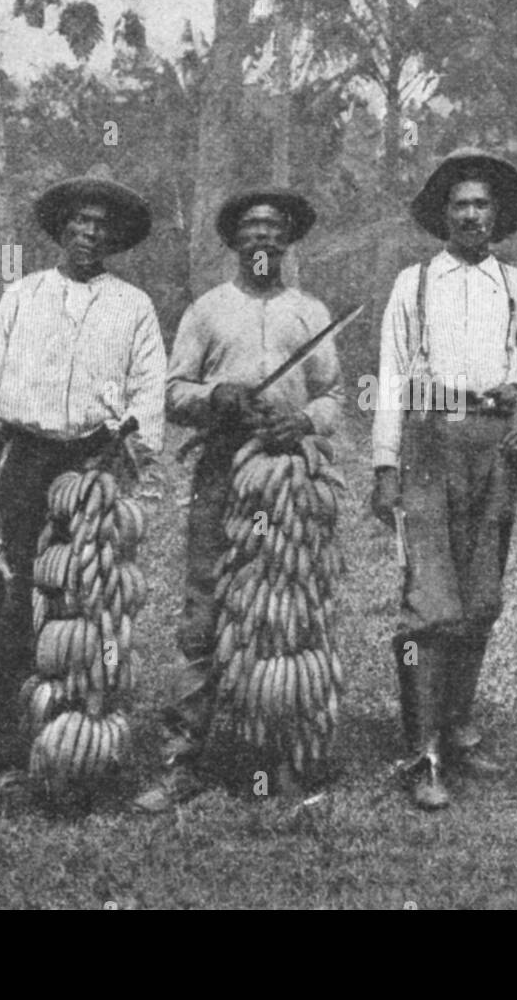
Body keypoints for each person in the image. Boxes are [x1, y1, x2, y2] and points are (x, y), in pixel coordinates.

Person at [370, 148, 517, 811]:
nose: (470, 215)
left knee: (482, 595)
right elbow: (392, 376)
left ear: (498, 215)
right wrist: (385, 465)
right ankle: (422, 750)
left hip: (495, 445)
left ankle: (458, 726)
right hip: (430, 443)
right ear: (443, 214)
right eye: (460, 204)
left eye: (481, 204)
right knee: (431, 599)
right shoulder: (415, 283)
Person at [136, 188, 344, 812]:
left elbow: (335, 395)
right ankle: (184, 758)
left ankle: (282, 752)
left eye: (275, 229)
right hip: (224, 470)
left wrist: (304, 421)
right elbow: (171, 390)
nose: (264, 239)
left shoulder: (310, 313)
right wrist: (215, 397)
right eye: (252, 228)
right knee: (205, 609)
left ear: (288, 242)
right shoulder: (207, 311)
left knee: (287, 608)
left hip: (289, 477)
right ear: (234, 241)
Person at [0, 166, 166, 793]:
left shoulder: (132, 305)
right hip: (27, 457)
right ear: (62, 229)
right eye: (81, 222)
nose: (89, 234)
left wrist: (127, 449)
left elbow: (148, 391)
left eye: (102, 227)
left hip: (93, 461)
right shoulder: (23, 294)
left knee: (89, 603)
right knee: (16, 598)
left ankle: (80, 733)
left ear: (115, 239)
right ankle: (8, 749)